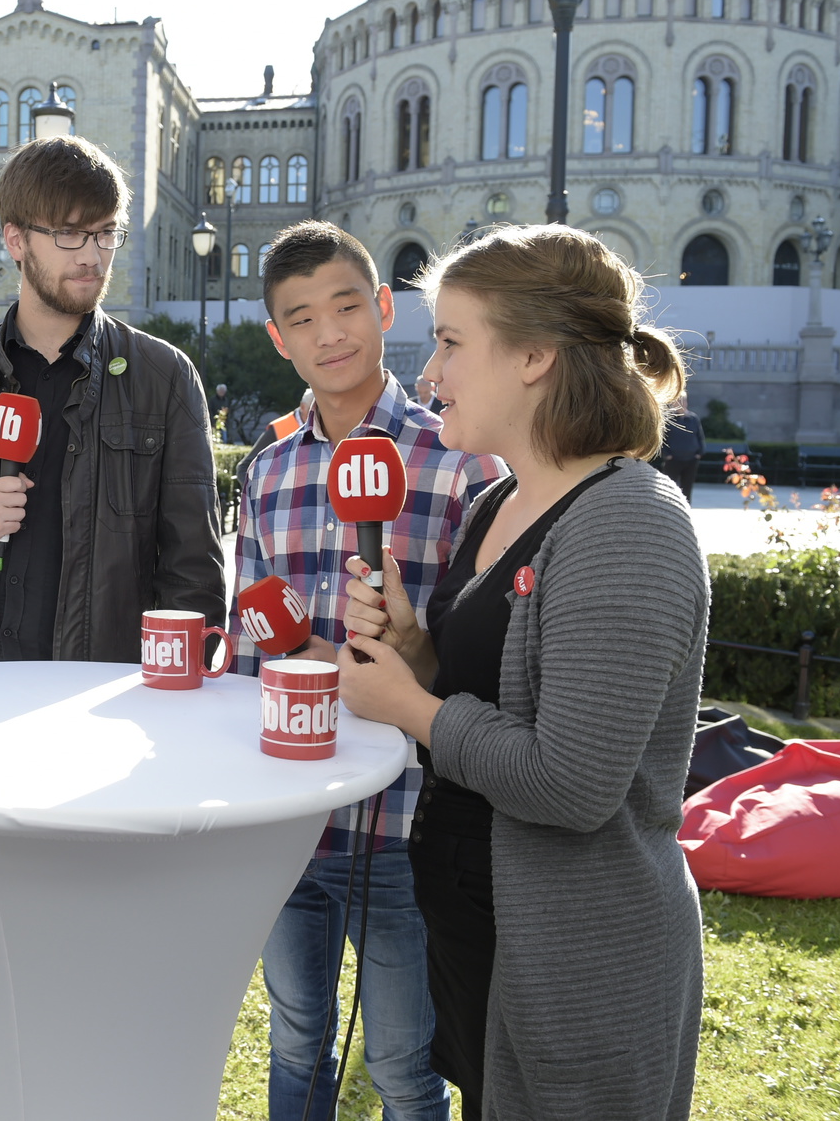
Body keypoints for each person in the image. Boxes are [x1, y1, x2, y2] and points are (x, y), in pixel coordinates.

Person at [337, 225, 706, 1120]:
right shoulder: (501, 501)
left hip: (578, 973)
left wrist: (413, 708)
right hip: (486, 950)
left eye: (453, 342)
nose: (429, 375)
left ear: (536, 355)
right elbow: (494, 693)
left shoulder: (627, 523)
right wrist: (419, 650)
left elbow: (572, 784)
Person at [228, 221, 502, 1121]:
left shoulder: (462, 462)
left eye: (348, 306)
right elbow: (250, 641)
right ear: (278, 337)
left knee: (401, 1063)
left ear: (386, 308)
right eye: (301, 319)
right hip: (289, 822)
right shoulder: (264, 471)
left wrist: (411, 649)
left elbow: (485, 659)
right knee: (296, 1037)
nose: (329, 333)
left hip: (409, 820)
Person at [0, 134, 224, 664]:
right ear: (16, 239)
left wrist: (172, 692)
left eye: (105, 234)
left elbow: (194, 572)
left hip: (102, 698)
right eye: (69, 235)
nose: (93, 256)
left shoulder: (164, 377)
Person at [658, 398, 705, 501]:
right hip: (673, 460)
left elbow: (700, 436)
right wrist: (667, 454)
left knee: (687, 488)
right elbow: (661, 438)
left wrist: (699, 453)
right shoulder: (668, 419)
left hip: (691, 459)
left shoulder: (693, 418)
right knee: (670, 487)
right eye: (678, 401)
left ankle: (686, 511)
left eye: (683, 401)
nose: (681, 404)